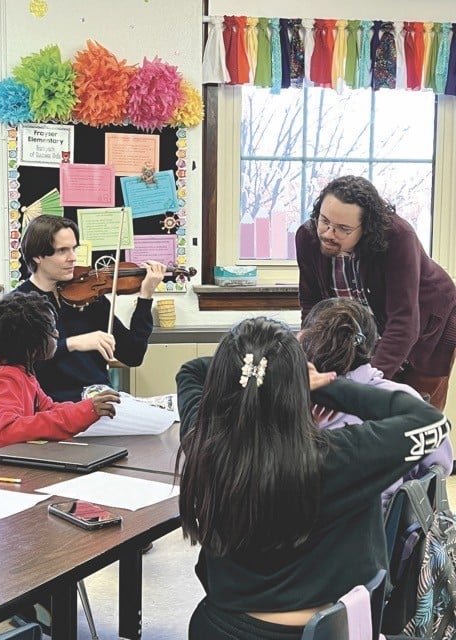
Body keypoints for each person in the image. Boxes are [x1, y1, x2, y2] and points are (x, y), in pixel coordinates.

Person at [175, 316, 450, 640]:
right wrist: (327, 385)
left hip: (218, 627)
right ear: (297, 390)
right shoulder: (342, 455)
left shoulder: (203, 443)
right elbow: (431, 421)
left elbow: (190, 371)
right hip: (322, 632)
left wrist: (249, 367)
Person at [295, 175, 456, 410]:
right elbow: (312, 306)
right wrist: (310, 361)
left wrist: (363, 389)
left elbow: (404, 324)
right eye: (325, 221)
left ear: (367, 228)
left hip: (426, 328)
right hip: (368, 332)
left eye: (343, 229)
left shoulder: (398, 237)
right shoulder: (308, 237)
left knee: (411, 413)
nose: (329, 233)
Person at [298, 297, 453, 507]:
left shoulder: (292, 402)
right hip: (391, 530)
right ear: (372, 345)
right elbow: (439, 466)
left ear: (305, 341)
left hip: (317, 529)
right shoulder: (404, 399)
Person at [17, 215, 166, 403]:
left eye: (74, 248)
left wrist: (145, 298)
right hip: (53, 406)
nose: (73, 258)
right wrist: (71, 344)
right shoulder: (18, 304)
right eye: (62, 250)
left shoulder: (89, 295)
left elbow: (133, 355)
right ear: (37, 256)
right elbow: (21, 366)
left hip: (100, 401)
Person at [0, 291, 120, 453]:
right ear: (31, 343)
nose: (57, 333)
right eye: (52, 329)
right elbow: (5, 430)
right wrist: (86, 411)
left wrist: (87, 409)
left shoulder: (21, 371)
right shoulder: (7, 378)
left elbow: (48, 408)